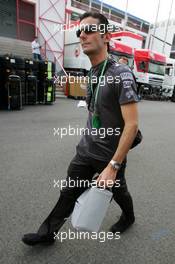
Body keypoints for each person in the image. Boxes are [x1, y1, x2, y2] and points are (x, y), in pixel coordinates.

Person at [22, 12, 139, 246]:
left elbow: (133, 124)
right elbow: (94, 111)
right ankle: (47, 234)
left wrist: (114, 166)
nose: (82, 35)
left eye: (88, 30)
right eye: (79, 31)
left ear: (105, 36)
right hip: (86, 151)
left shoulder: (121, 74)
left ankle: (129, 217)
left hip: (110, 157)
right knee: (68, 193)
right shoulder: (92, 72)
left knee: (119, 192)